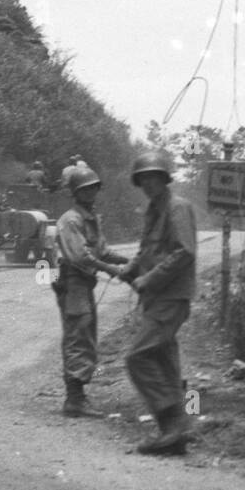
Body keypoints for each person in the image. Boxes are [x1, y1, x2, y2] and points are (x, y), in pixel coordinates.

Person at [119, 148, 198, 453]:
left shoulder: (178, 208)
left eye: (154, 178)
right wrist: (131, 268)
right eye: (143, 179)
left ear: (164, 178)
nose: (149, 184)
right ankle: (174, 434)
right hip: (157, 298)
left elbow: (184, 252)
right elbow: (147, 250)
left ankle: (175, 421)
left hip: (171, 296)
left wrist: (147, 279)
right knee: (164, 359)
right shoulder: (154, 210)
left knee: (137, 357)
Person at [53, 164, 130, 418]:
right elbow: (81, 257)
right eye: (85, 190)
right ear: (75, 193)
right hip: (73, 281)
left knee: (86, 334)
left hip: (84, 283)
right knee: (78, 335)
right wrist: (112, 269)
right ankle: (74, 400)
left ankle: (78, 396)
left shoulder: (90, 218)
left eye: (93, 189)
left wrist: (128, 261)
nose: (90, 193)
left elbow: (103, 251)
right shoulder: (70, 220)